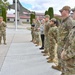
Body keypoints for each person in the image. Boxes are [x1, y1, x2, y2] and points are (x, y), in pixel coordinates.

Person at [52, 6, 73, 75]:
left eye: (62, 11)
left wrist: (66, 47)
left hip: (65, 46)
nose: (60, 12)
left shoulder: (69, 21)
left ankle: (64, 72)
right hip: (60, 43)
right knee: (59, 57)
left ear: (67, 11)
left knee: (65, 61)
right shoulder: (63, 20)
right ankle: (60, 67)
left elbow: (71, 35)